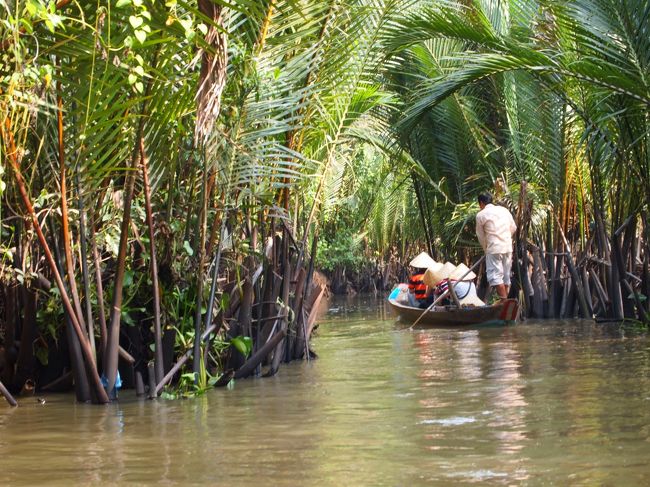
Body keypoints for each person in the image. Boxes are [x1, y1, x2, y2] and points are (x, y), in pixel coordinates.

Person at [475, 193, 517, 300]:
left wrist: (486, 249)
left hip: (494, 248)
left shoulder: (481, 215)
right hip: (507, 246)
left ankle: (504, 302)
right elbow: (513, 228)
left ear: (481, 203)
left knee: (495, 277)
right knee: (506, 276)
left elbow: (481, 237)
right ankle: (505, 303)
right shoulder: (504, 210)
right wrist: (505, 238)